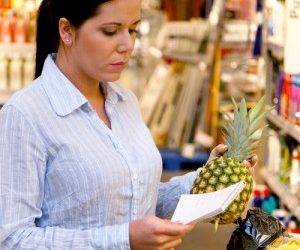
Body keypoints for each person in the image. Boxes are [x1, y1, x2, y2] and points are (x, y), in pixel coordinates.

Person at [0, 0, 257, 249]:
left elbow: (135, 197)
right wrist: (125, 240)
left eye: (132, 29)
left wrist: (207, 177)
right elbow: (12, 239)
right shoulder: (25, 115)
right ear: (67, 30)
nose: (127, 45)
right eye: (110, 31)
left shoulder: (125, 102)